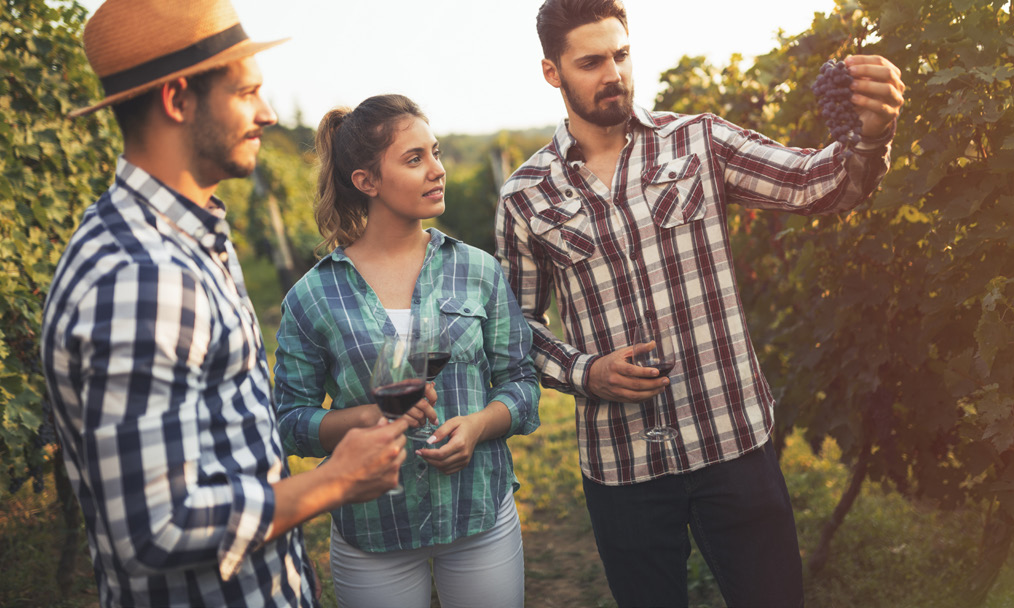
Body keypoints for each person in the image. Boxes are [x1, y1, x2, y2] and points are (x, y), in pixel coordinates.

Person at [494, 0, 906, 606]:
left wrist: (873, 136)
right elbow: (514, 328)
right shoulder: (526, 196)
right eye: (590, 62)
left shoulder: (698, 141)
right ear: (552, 72)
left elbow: (817, 184)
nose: (613, 73)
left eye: (621, 55)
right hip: (623, 463)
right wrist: (587, 372)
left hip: (733, 442)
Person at [39, 1, 416, 605]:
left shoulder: (182, 238)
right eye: (246, 93)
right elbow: (153, 529)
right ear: (177, 100)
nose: (268, 114)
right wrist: (334, 482)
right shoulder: (140, 275)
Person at [272, 94, 541, 608]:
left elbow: (522, 382)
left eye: (435, 152)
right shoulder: (312, 296)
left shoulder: (478, 270)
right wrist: (367, 417)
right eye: (414, 159)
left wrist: (479, 425)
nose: (437, 169)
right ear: (366, 181)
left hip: (477, 513)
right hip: (373, 529)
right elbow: (288, 421)